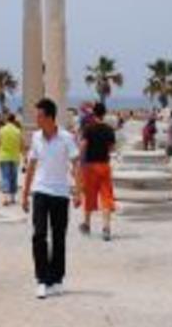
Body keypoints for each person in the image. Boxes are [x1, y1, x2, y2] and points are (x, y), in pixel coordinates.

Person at [21, 98, 82, 299]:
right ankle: (42, 279)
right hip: (40, 191)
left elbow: (76, 165)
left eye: (39, 115)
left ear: (49, 117)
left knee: (58, 237)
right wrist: (25, 194)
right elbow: (30, 167)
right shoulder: (36, 137)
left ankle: (56, 279)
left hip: (61, 193)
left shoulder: (66, 137)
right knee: (39, 235)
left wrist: (78, 191)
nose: (36, 119)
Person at [77, 102, 116, 240]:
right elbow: (111, 148)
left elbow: (83, 146)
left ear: (94, 113)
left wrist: (80, 161)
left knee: (89, 195)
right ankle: (106, 227)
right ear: (104, 114)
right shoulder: (109, 130)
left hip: (90, 166)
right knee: (106, 197)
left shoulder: (88, 129)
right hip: (104, 165)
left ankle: (87, 224)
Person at [0, 113, 24, 206]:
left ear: (7, 119)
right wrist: (24, 155)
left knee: (5, 177)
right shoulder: (17, 131)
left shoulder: (1, 130)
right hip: (15, 157)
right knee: (14, 177)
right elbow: (22, 145)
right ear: (14, 119)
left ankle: (5, 198)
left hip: (3, 156)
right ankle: (12, 198)